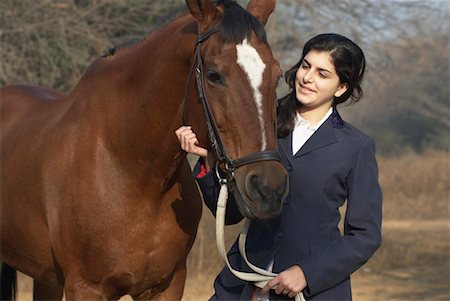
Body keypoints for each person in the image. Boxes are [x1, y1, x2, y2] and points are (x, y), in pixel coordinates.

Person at [175, 33, 382, 301]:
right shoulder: (260, 124)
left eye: (322, 73)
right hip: (243, 285)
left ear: (341, 88)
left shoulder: (356, 146)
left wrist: (306, 273)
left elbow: (365, 236)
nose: (307, 78)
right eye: (306, 66)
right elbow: (231, 214)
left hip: (314, 291)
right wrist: (207, 162)